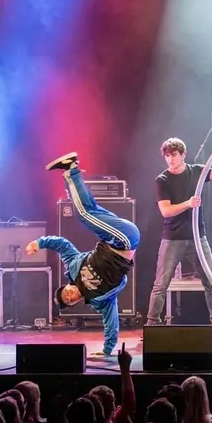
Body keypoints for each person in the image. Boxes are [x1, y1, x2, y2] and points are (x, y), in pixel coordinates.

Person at [26, 152, 140, 357]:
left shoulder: (73, 265)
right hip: (125, 242)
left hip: (114, 238)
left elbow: (62, 245)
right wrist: (107, 350)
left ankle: (71, 170)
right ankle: (71, 170)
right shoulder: (99, 300)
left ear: (67, 285)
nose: (69, 295)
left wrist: (39, 242)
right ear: (75, 303)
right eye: (69, 300)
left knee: (87, 210)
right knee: (86, 213)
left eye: (66, 292)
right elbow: (111, 319)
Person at [144, 137, 212, 340]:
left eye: (174, 155)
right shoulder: (163, 179)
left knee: (211, 282)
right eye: (167, 156)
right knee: (161, 284)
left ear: (183, 155)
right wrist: (188, 203)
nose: (170, 159)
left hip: (197, 238)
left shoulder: (197, 172)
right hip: (173, 238)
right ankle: (151, 326)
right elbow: (166, 211)